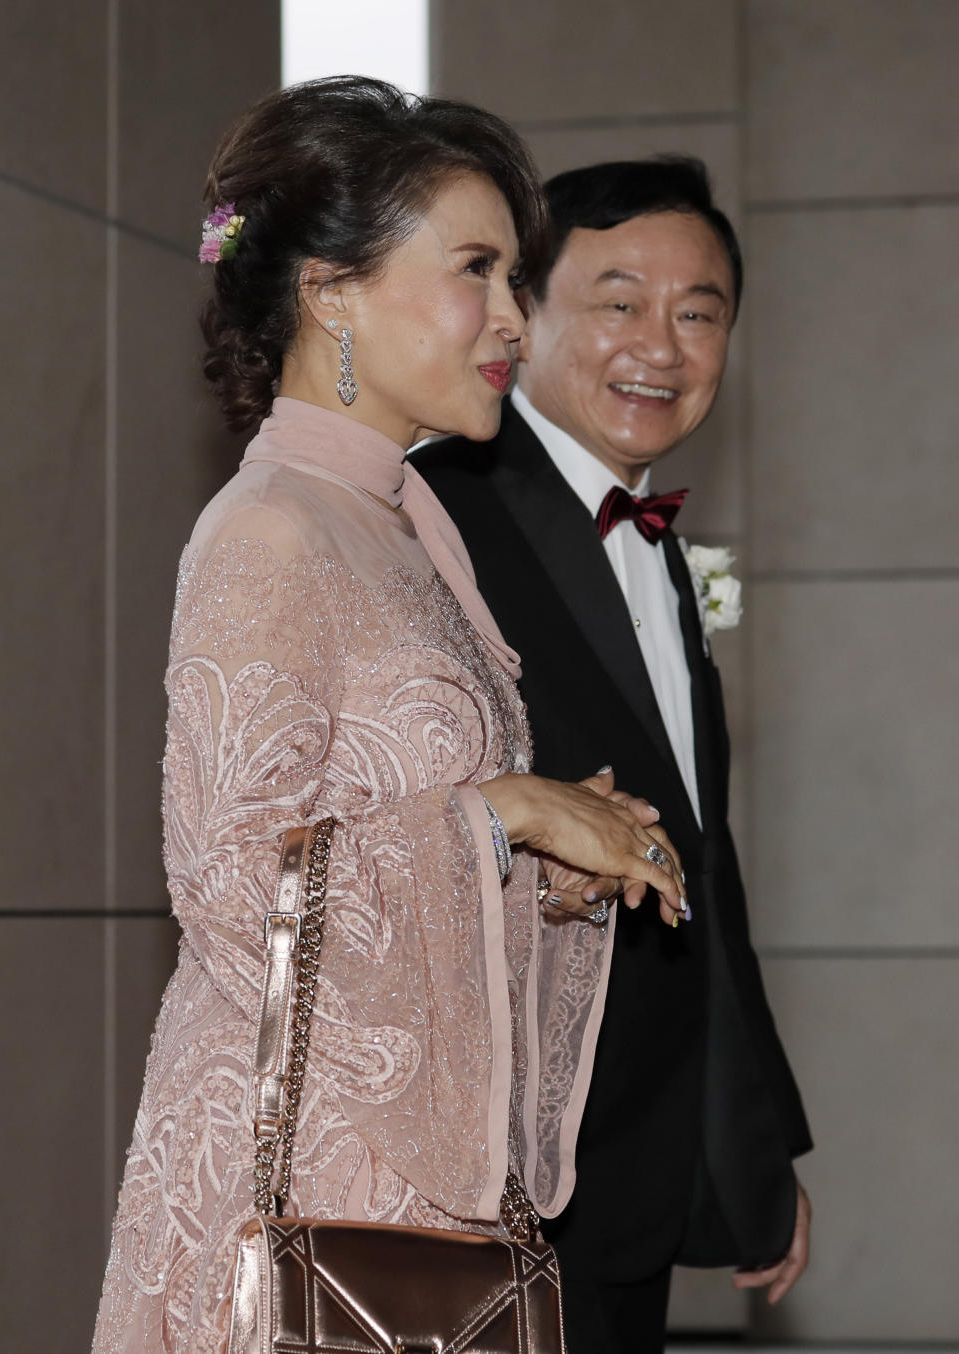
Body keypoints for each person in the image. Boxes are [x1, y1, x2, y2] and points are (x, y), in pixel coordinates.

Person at [91, 83, 692, 1353]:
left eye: (516, 281)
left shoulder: (406, 528)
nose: (516, 322)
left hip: (402, 1191)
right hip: (305, 1195)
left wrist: (551, 862)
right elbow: (232, 888)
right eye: (478, 269)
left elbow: (390, 848)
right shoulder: (269, 529)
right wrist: (502, 810)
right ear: (332, 290)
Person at [414, 157, 813, 1354]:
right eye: (619, 300)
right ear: (522, 315)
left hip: (624, 1181)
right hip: (486, 1185)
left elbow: (704, 872)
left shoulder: (658, 554)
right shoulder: (437, 511)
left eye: (700, 312)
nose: (663, 343)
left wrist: (754, 1149)